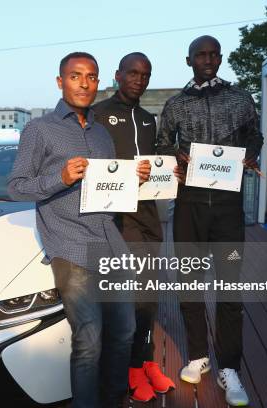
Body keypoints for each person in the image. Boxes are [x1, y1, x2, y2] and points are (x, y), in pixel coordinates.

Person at [8, 51, 151, 408]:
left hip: (110, 244)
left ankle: (115, 399)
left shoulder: (102, 134)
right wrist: (60, 177)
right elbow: (16, 187)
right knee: (89, 340)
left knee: (125, 333)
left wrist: (135, 181)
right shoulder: (39, 130)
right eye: (75, 76)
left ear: (98, 82)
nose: (84, 83)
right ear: (60, 82)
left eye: (91, 77)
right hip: (70, 246)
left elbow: (109, 191)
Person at [157, 35, 263, 406]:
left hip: (228, 208)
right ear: (189, 61)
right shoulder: (175, 104)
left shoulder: (240, 98)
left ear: (220, 58)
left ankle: (229, 368)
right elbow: (161, 143)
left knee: (229, 289)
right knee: (189, 284)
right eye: (200, 55)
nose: (207, 59)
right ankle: (198, 356)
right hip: (188, 207)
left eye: (212, 54)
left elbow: (255, 135)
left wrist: (250, 154)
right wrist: (178, 160)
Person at [93, 52, 176, 403]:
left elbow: (154, 165)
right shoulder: (97, 114)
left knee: (149, 293)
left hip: (148, 216)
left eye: (145, 74)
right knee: (131, 297)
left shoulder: (147, 118)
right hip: (117, 217)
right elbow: (95, 168)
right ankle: (129, 368)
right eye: (133, 73)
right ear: (118, 75)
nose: (139, 80)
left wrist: (170, 169)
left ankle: (143, 363)